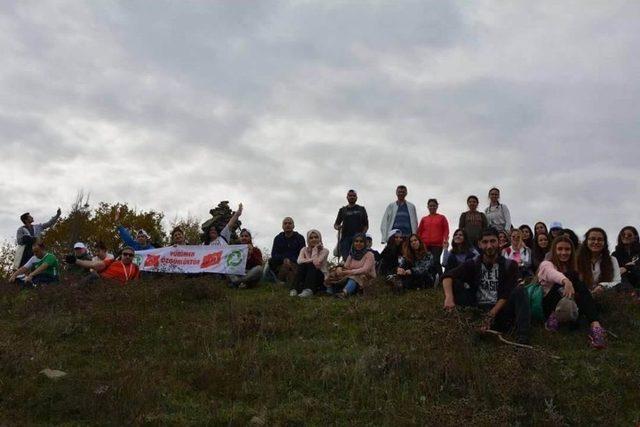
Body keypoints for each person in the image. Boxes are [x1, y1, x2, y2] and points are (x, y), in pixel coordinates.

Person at [442, 228, 531, 345]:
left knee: (520, 290)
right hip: (477, 310)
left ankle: (522, 339)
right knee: (455, 284)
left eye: (493, 241)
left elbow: (506, 294)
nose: (489, 246)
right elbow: (447, 276)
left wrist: (490, 316)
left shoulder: (510, 265)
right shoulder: (473, 263)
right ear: (479, 244)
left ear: (499, 242)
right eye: (485, 242)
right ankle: (466, 326)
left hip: (500, 311)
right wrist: (448, 298)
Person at [536, 236, 607, 349]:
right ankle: (553, 319)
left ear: (572, 251)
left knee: (579, 283)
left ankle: (595, 326)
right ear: (554, 250)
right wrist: (565, 281)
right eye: (560, 249)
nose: (564, 252)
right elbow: (551, 273)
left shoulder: (573, 267)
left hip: (568, 301)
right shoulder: (546, 264)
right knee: (571, 277)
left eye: (567, 249)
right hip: (548, 305)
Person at [328, 233, 376, 298]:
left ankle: (344, 293)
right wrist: (339, 268)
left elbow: (365, 270)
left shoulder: (369, 255)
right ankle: (329, 292)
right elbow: (346, 266)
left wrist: (348, 272)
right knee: (334, 272)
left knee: (355, 276)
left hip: (366, 278)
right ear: (353, 243)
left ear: (365, 243)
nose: (358, 243)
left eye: (361, 241)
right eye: (356, 241)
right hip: (350, 276)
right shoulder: (352, 254)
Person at [576, 227, 621, 295]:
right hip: (581, 297)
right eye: (592, 239)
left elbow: (617, 281)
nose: (596, 242)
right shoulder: (577, 259)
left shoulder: (612, 260)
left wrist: (602, 286)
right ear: (586, 241)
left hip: (604, 296)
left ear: (604, 243)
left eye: (600, 239)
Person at [66, 246, 140, 285]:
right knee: (94, 275)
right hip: (101, 284)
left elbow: (134, 284)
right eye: (125, 254)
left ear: (133, 256)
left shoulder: (135, 268)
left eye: (130, 255)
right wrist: (75, 260)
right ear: (121, 255)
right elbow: (93, 264)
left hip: (117, 291)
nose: (127, 256)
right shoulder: (112, 262)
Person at [290, 229, 329, 297]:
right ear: (308, 240)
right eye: (311, 238)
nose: (314, 239)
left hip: (320, 276)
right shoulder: (304, 249)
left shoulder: (325, 251)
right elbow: (299, 261)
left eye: (316, 237)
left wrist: (315, 249)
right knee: (302, 266)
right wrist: (309, 260)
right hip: (307, 276)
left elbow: (316, 263)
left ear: (320, 238)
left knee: (311, 265)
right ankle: (294, 289)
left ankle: (308, 290)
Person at [268, 217, 306, 286]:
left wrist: (290, 261)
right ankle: (286, 280)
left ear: (293, 226)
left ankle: (282, 281)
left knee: (294, 269)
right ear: (282, 226)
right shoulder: (278, 238)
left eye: (290, 223)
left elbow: (303, 254)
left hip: (295, 263)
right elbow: (274, 254)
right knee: (271, 261)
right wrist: (284, 259)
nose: (287, 225)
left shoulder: (300, 238)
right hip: (281, 263)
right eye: (285, 223)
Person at [334, 190, 369, 261]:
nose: (352, 197)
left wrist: (362, 235)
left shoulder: (361, 209)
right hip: (345, 238)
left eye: (354, 196)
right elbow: (336, 224)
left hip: (358, 239)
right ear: (347, 197)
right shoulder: (342, 210)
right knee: (346, 259)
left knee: (359, 258)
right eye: (350, 196)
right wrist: (338, 227)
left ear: (356, 197)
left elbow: (366, 225)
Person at [417, 199, 449, 275]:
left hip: (437, 245)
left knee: (436, 261)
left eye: (434, 206)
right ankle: (430, 280)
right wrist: (419, 242)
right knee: (426, 262)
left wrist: (445, 239)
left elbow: (446, 229)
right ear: (428, 207)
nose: (432, 207)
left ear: (437, 206)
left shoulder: (442, 217)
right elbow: (419, 231)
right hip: (425, 245)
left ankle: (442, 279)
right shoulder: (424, 219)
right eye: (430, 206)